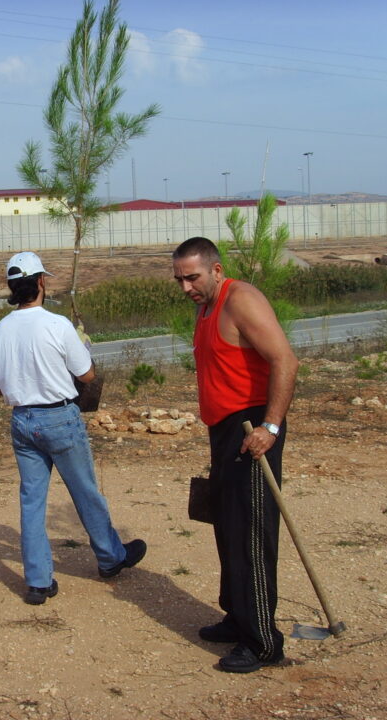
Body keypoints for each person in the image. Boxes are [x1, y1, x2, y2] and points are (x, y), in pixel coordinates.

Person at [0, 251, 146, 605]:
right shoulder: (57, 325)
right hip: (59, 417)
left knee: (31, 500)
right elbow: (87, 375)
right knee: (86, 492)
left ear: (13, 286)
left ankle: (39, 582)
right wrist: (81, 348)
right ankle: (110, 558)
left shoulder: (0, 331)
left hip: (22, 421)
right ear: (41, 281)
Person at [172, 236, 299, 674]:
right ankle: (238, 617)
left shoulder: (240, 299)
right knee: (227, 526)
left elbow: (285, 360)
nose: (187, 286)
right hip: (224, 429)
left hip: (252, 430)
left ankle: (263, 642)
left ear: (216, 270)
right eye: (180, 279)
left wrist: (271, 427)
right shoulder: (205, 306)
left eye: (193, 277)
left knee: (251, 534)